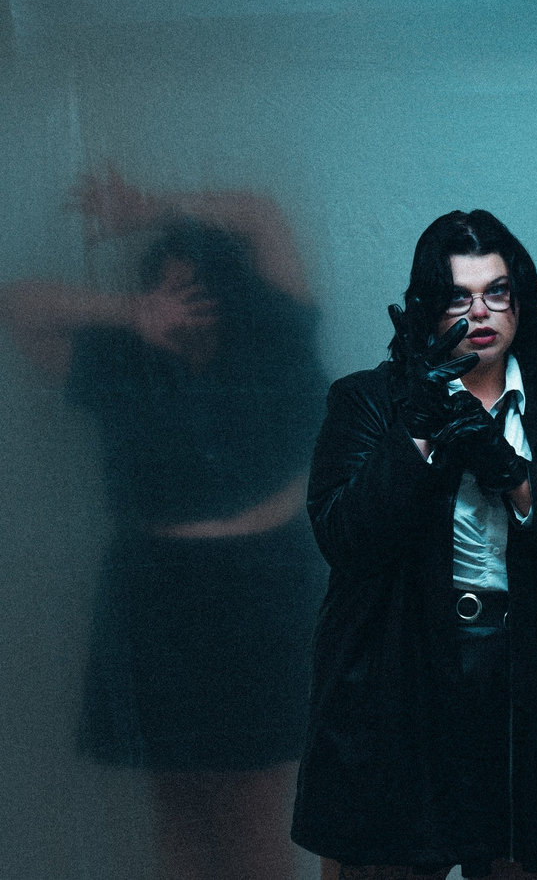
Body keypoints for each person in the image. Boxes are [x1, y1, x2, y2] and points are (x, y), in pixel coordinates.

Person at [0, 167, 328, 878]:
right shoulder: (122, 362)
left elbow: (262, 213)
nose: (184, 304)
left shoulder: (278, 347)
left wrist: (152, 209)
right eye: (167, 289)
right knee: (178, 809)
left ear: (231, 291)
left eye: (199, 288)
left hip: (263, 590)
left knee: (254, 816)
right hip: (154, 593)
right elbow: (17, 303)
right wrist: (130, 313)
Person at [291, 209, 537, 880]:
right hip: (397, 678)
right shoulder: (367, 401)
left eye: (497, 291)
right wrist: (416, 429)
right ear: (427, 309)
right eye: (457, 297)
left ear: (520, 301)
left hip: (530, 681)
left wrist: (514, 473)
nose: (480, 312)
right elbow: (345, 538)